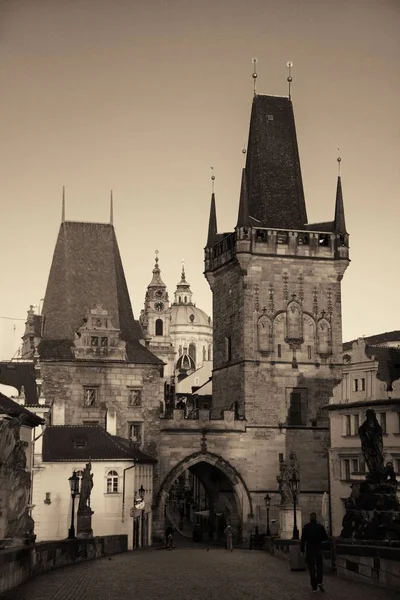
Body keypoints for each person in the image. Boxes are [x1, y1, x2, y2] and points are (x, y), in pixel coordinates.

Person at [300, 512, 329, 593]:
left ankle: (314, 586)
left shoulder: (306, 527)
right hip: (318, 548)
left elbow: (303, 540)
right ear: (316, 518)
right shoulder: (320, 527)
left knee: (311, 568)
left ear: (310, 518)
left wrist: (302, 549)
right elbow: (325, 538)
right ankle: (319, 581)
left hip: (310, 549)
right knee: (319, 566)